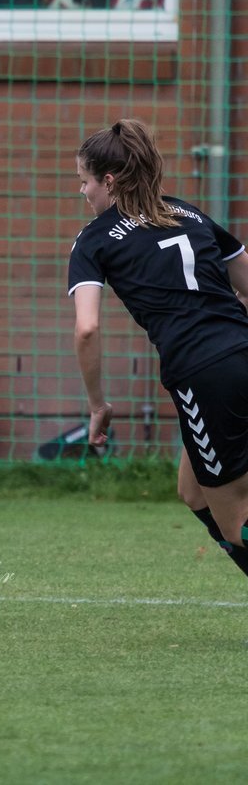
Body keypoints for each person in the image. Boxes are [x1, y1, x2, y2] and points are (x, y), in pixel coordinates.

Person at [68, 118, 248, 578]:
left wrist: (96, 405)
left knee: (236, 522)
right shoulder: (189, 213)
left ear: (108, 181)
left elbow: (87, 328)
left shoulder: (92, 240)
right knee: (193, 492)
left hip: (205, 375)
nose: (82, 192)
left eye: (84, 181)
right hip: (238, 352)